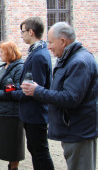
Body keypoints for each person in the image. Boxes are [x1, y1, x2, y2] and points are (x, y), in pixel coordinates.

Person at [21, 22, 98, 170]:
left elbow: (70, 98)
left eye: (50, 42)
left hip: (79, 130)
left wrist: (37, 91)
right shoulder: (71, 59)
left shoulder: (79, 62)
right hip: (73, 129)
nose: (48, 46)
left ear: (62, 41)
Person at [10, 17, 54, 170]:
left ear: (31, 32)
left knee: (40, 151)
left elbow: (35, 88)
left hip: (35, 113)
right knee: (35, 150)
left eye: (23, 32)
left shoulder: (39, 55)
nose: (21, 35)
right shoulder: (36, 52)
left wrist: (12, 94)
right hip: (32, 112)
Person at [0, 41, 25, 170]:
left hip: (12, 113)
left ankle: (13, 168)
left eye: (2, 52)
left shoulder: (19, 67)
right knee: (4, 144)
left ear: (9, 52)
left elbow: (16, 91)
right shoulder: (3, 67)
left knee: (13, 145)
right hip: (0, 110)